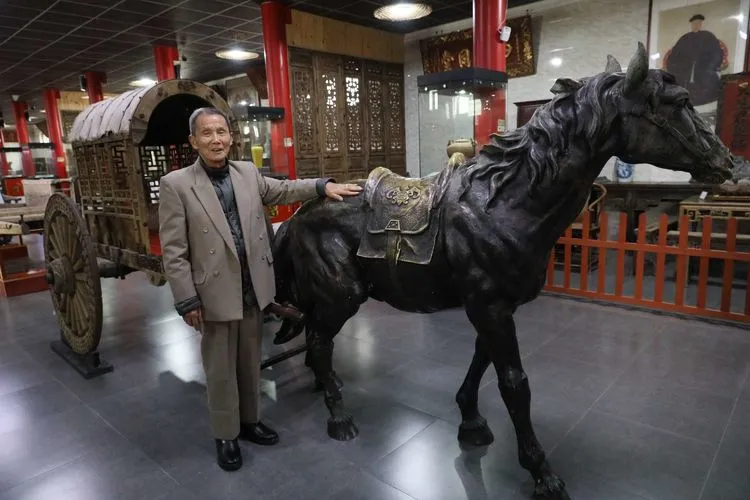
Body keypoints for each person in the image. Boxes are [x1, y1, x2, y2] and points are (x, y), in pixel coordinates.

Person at [158, 107, 361, 471]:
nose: (216, 139)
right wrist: (186, 299)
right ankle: (226, 434)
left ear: (231, 136)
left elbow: (283, 190)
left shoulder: (246, 173)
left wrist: (322, 186)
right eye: (207, 133)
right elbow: (173, 251)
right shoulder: (177, 184)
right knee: (221, 369)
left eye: (221, 131)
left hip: (253, 287)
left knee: (250, 362)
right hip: (213, 292)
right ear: (194, 141)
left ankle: (250, 421)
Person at [663, 14, 727, 106]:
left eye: (698, 23)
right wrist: (673, 65)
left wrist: (710, 66)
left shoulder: (708, 36)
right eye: (694, 24)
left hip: (704, 67)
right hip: (685, 68)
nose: (696, 25)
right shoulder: (685, 38)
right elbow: (675, 53)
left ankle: (705, 102)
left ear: (701, 24)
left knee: (707, 79)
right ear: (691, 25)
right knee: (678, 81)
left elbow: (716, 52)